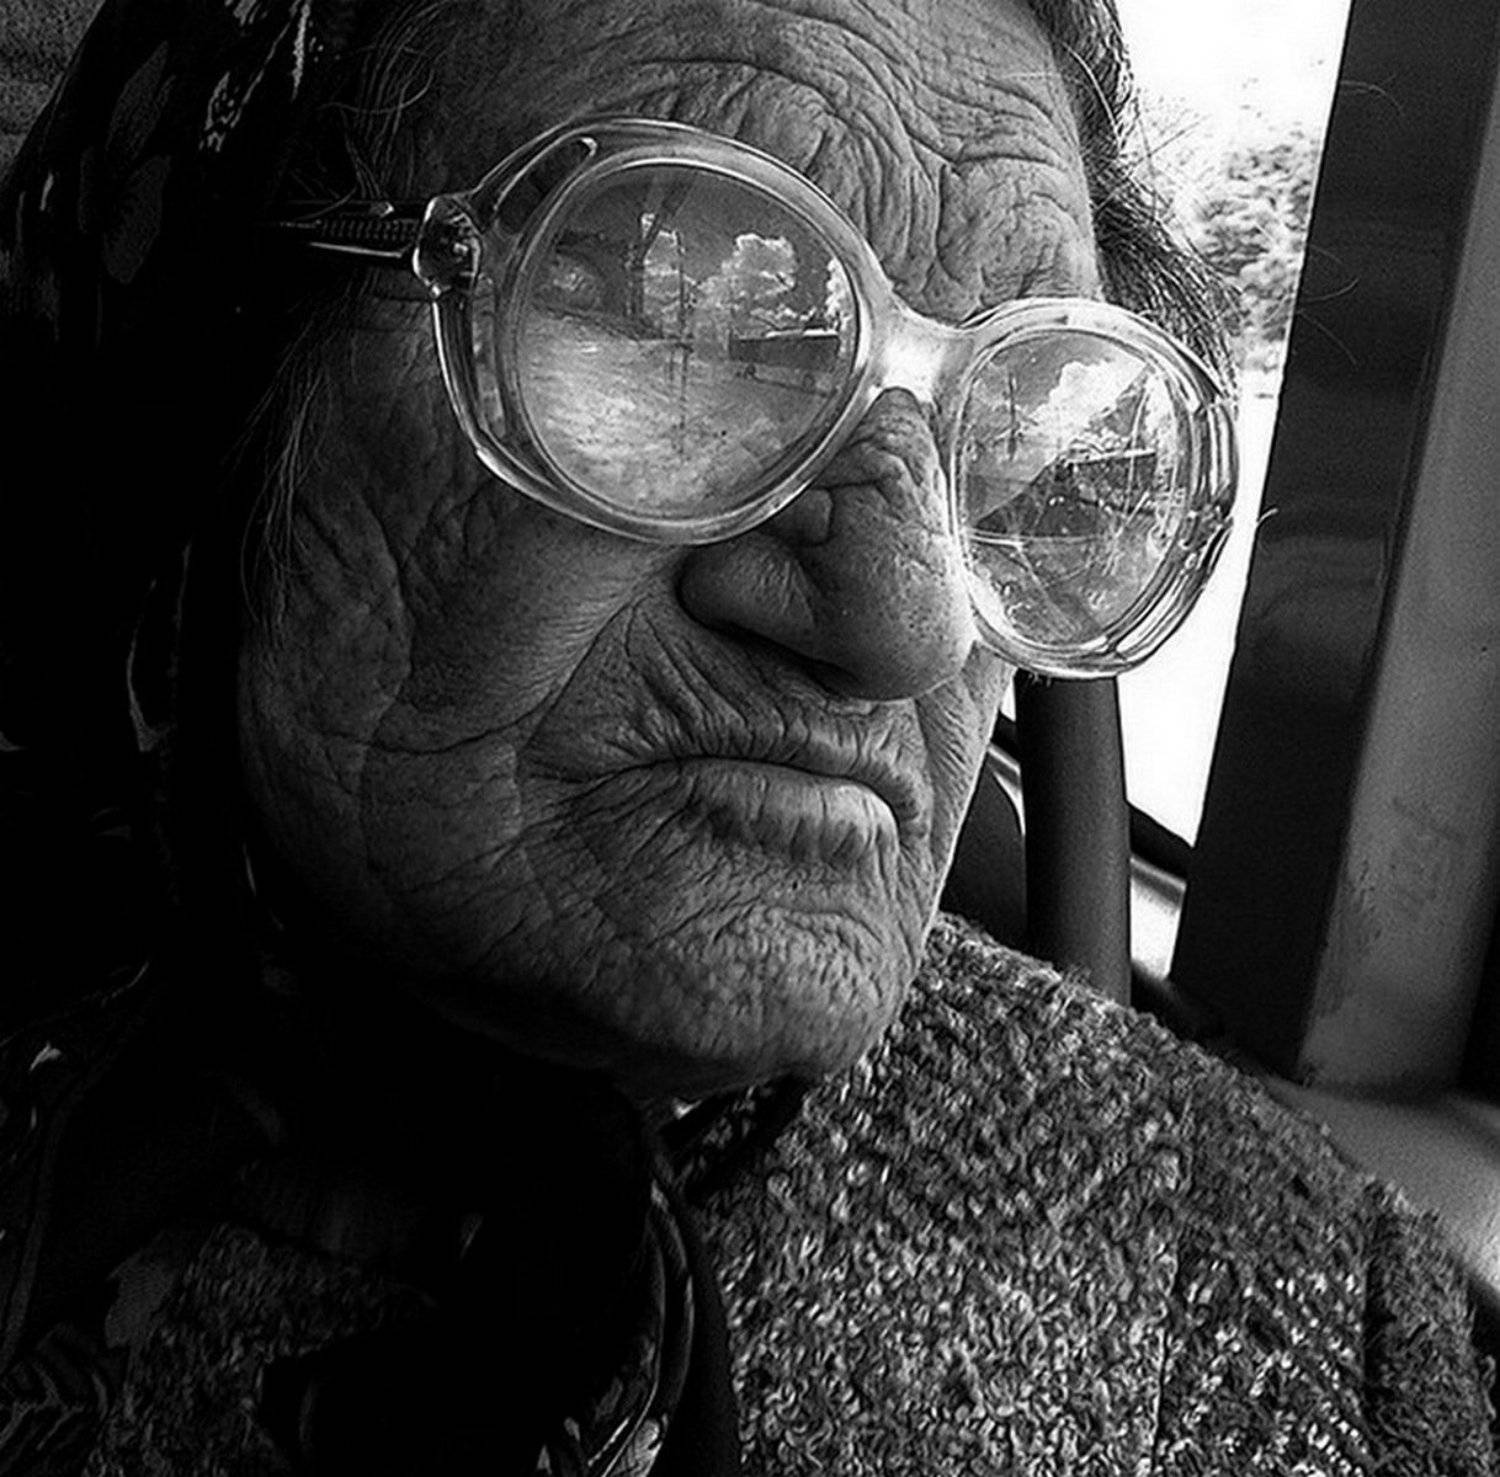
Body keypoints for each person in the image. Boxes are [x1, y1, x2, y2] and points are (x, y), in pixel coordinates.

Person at [0, 0, 1493, 1472]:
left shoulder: (1302, 1335)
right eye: (671, 336)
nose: (907, 624)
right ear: (204, 377)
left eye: (1009, 432)